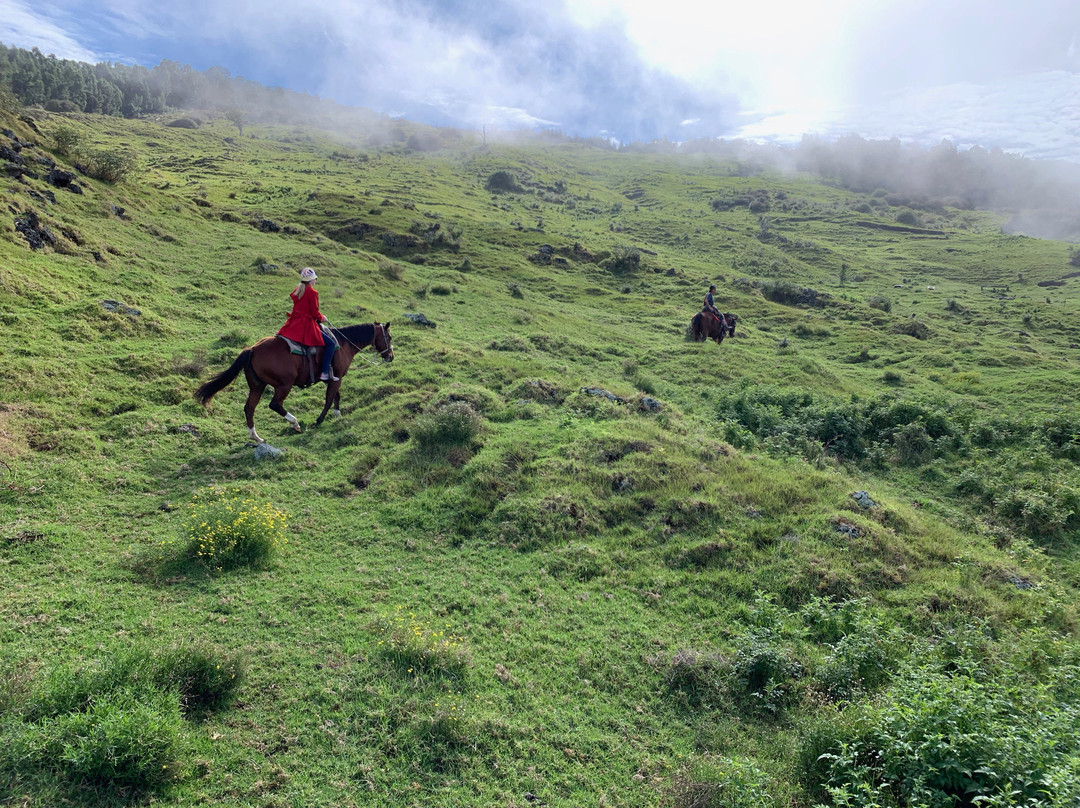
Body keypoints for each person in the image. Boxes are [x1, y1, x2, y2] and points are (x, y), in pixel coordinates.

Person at [277, 267, 339, 381]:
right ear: (310, 280)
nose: (315, 281)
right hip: (306, 326)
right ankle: (324, 372)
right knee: (330, 344)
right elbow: (315, 313)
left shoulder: (298, 290)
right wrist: (322, 317)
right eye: (314, 279)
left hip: (294, 323)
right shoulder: (312, 292)